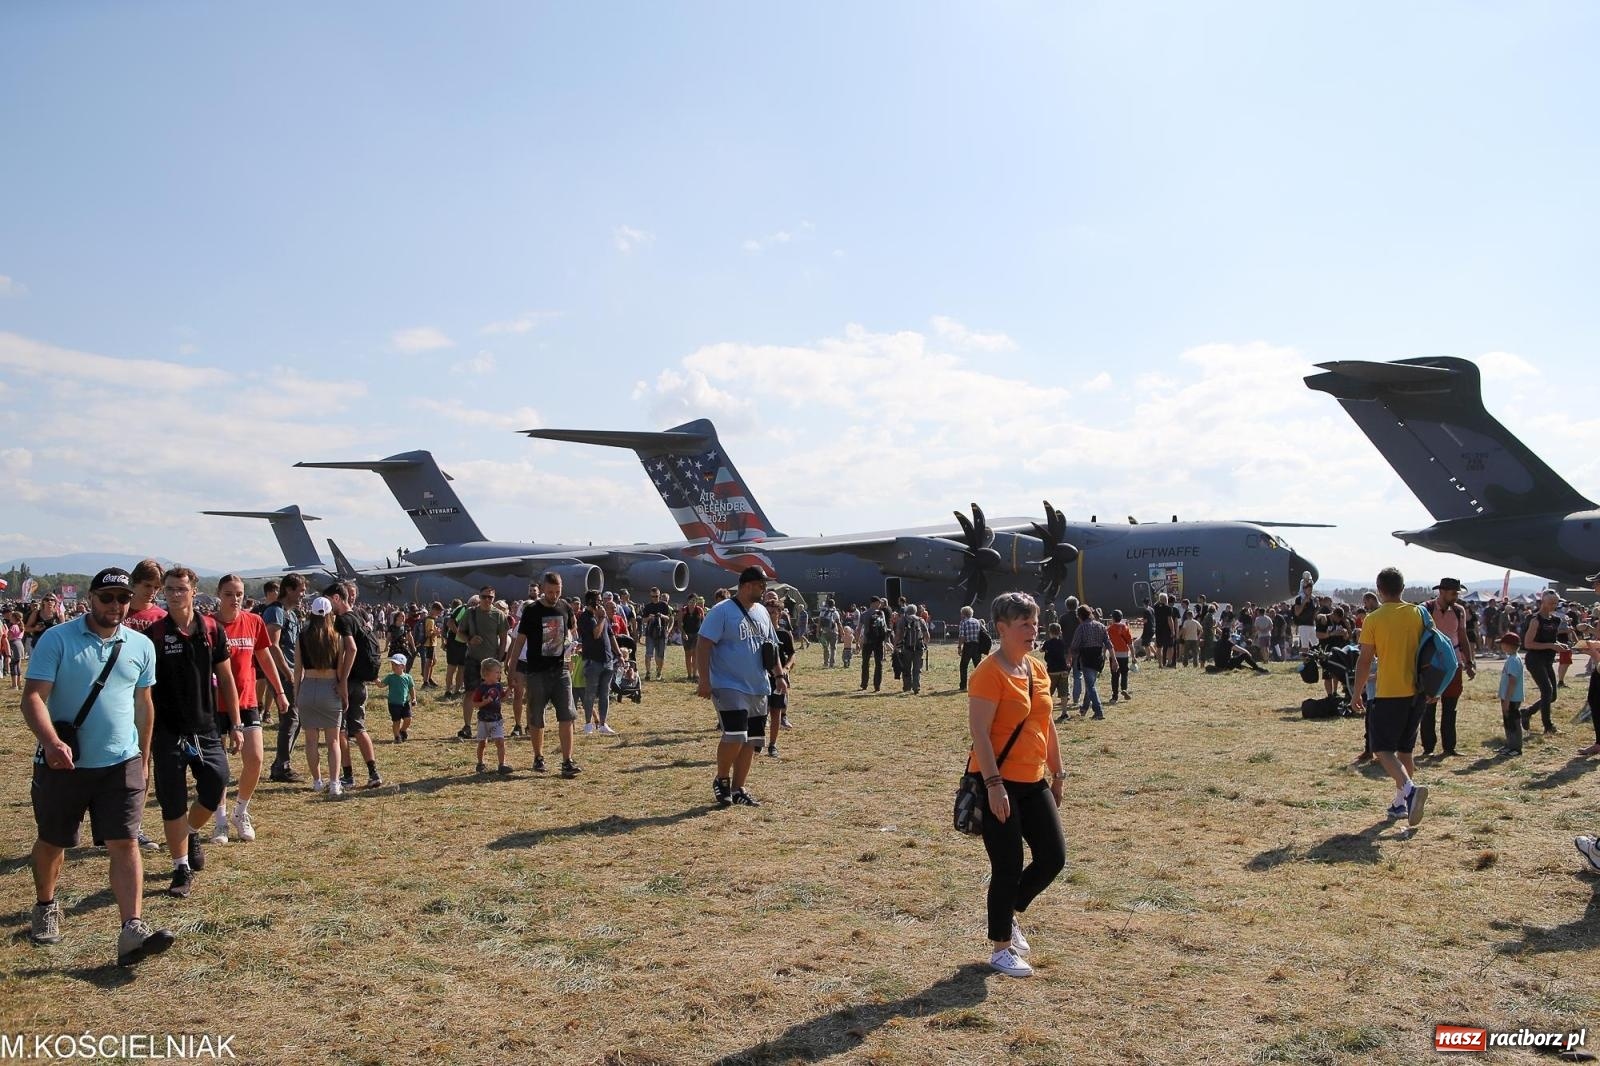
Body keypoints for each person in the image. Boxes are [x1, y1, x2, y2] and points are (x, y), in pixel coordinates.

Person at [23, 567, 176, 966]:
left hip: (121, 762)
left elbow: (144, 705)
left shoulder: (141, 645)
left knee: (124, 842)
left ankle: (132, 929)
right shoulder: (58, 639)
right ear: (91, 598)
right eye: (107, 597)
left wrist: (143, 759)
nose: (115, 605)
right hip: (65, 763)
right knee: (54, 841)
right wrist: (52, 742)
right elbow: (33, 698)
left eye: (123, 598)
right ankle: (45, 904)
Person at [966, 591, 1065, 979]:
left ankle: (1008, 914)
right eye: (1023, 624)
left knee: (1053, 858)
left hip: (1033, 779)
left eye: (1034, 622)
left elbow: (1046, 722)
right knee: (1007, 865)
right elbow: (980, 733)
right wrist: (992, 784)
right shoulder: (988, 673)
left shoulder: (1037, 669)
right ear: (1002, 629)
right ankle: (1000, 948)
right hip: (998, 779)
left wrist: (1058, 773)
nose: (1032, 629)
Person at [144, 566, 239, 898]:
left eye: (181, 589)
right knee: (171, 801)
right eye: (169, 589)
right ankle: (180, 867)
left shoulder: (211, 628)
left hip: (205, 727)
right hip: (167, 730)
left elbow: (226, 679)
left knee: (216, 784)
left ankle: (189, 831)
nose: (174, 594)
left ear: (194, 590)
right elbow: (144, 689)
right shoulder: (155, 633)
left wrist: (236, 723)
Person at [697, 566, 786, 807]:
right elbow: (704, 644)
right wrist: (704, 679)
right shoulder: (721, 611)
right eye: (760, 585)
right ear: (746, 585)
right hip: (728, 684)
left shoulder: (762, 613)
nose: (764, 589)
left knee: (753, 740)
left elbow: (771, 647)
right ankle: (722, 779)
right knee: (736, 735)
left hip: (758, 685)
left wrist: (779, 675)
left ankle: (738, 788)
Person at [1351, 567, 1429, 827]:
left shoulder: (1373, 619)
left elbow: (1364, 661)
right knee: (1405, 750)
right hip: (1417, 692)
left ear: (1379, 589)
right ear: (1403, 588)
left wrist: (1356, 693)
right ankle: (1400, 804)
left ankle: (1409, 790)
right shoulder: (1419, 613)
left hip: (1389, 692)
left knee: (1382, 749)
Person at [213, 574, 287, 845]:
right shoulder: (209, 625)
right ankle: (220, 820)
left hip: (247, 702)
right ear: (219, 595)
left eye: (239, 594)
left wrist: (279, 691)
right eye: (229, 594)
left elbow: (264, 656)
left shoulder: (254, 621)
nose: (235, 599)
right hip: (216, 705)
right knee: (218, 768)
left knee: (254, 759)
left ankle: (240, 811)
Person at [507, 572, 579, 776]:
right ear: (542, 589)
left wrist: (571, 652)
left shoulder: (565, 607)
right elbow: (519, 640)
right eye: (550, 592)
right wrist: (512, 667)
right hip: (537, 672)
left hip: (560, 670)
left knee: (567, 716)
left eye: (557, 591)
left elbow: (571, 632)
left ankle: (567, 760)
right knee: (536, 716)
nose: (554, 595)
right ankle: (538, 757)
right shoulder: (531, 610)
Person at [326, 582, 383, 790]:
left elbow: (350, 648)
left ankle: (348, 776)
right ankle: (373, 772)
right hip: (360, 682)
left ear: (336, 599)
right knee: (359, 728)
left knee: (341, 731)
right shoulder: (359, 616)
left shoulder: (342, 621)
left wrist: (342, 680)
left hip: (348, 682)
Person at [295, 596, 354, 795]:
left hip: (308, 687)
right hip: (329, 687)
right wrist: (343, 690)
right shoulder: (336, 637)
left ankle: (317, 780)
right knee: (333, 741)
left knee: (311, 740)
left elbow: (297, 670)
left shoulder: (302, 636)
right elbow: (339, 671)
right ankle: (335, 782)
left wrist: (296, 694)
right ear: (330, 614)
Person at [1420, 578, 1476, 758]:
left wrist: (1469, 662)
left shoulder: (1459, 611)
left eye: (1458, 593)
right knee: (1429, 706)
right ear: (1442, 591)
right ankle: (1428, 748)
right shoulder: (1425, 609)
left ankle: (1449, 747)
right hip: (1431, 665)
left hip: (1454, 663)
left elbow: (1462, 637)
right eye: (1453, 593)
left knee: (1450, 706)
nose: (1456, 596)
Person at [264, 574, 306, 783]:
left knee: (295, 719)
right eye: (300, 590)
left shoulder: (290, 614)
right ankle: (281, 766)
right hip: (282, 673)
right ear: (289, 590)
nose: (303, 594)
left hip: (293, 672)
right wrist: (287, 673)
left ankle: (281, 763)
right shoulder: (276, 612)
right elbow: (272, 645)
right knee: (290, 718)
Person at [458, 588, 508, 741]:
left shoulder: (499, 615)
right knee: (470, 692)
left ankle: (492, 725)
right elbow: (460, 633)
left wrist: (499, 659)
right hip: (473, 659)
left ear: (494, 598)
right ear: (479, 597)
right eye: (484, 596)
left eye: (490, 597)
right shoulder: (470, 613)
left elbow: (504, 638)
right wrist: (469, 639)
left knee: (493, 694)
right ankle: (467, 726)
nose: (487, 599)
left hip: (491, 661)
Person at [577, 589, 624, 737]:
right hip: (593, 661)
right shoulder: (586, 617)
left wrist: (619, 653)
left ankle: (603, 724)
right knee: (590, 694)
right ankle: (588, 724)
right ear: (590, 601)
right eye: (597, 600)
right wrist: (602, 618)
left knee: (604, 694)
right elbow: (596, 634)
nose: (600, 602)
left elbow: (610, 636)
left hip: (607, 660)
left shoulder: (602, 617)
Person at [1521, 589, 1566, 735]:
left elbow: (1551, 639)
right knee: (1547, 691)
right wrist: (1551, 646)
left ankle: (1527, 712)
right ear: (1543, 602)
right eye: (1551, 603)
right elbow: (1528, 644)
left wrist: (1559, 645)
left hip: (1547, 660)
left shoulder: (1555, 620)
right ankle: (1548, 726)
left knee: (1552, 695)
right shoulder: (1535, 620)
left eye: (1556, 603)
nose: (1554, 605)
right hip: (1535, 660)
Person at [1065, 604, 1112, 719]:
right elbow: (1109, 644)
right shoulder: (1101, 626)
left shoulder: (1081, 628)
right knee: (1090, 684)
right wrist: (1113, 659)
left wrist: (1070, 656)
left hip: (1086, 657)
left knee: (1090, 686)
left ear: (1080, 616)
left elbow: (1075, 645)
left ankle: (1098, 711)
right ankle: (1084, 708)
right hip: (1098, 657)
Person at [472, 658, 512, 774]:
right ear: (486, 674)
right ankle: (480, 763)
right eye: (496, 672)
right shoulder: (481, 688)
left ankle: (502, 764)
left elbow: (502, 698)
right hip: (483, 720)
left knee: (500, 741)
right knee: (482, 743)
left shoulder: (498, 686)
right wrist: (484, 702)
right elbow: (475, 704)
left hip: (496, 719)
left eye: (499, 672)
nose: (499, 675)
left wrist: (509, 690)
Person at [1497, 633, 1525, 756]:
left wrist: (1507, 700)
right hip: (1508, 697)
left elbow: (1512, 682)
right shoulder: (1512, 658)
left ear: (1508, 645)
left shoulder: (1514, 660)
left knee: (1513, 722)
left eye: (1502, 644)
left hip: (1512, 698)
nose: (1501, 646)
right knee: (1508, 721)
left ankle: (1516, 748)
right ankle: (1509, 745)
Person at [639, 587, 673, 681]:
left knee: (660, 655)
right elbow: (643, 620)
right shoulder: (647, 606)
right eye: (653, 596)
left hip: (661, 634)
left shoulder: (664, 605)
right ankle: (648, 672)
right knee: (648, 654)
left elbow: (669, 618)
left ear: (659, 595)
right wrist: (649, 618)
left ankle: (659, 672)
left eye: (657, 596)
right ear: (650, 596)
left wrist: (661, 616)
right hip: (650, 633)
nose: (655, 598)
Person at [858, 596, 889, 692]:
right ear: (874, 603)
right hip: (878, 641)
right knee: (878, 663)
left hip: (868, 641)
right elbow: (884, 627)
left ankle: (864, 684)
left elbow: (859, 628)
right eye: (879, 603)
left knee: (865, 663)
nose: (880, 604)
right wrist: (885, 639)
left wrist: (857, 642)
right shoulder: (881, 613)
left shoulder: (864, 614)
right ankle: (877, 685)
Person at [897, 602, 929, 695]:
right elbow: (927, 635)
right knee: (917, 669)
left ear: (907, 611)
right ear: (915, 611)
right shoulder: (921, 620)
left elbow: (898, 635)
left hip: (906, 647)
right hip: (918, 647)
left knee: (906, 668)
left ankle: (907, 687)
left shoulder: (902, 620)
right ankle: (916, 687)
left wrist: (896, 645)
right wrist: (925, 645)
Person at [384, 654, 415, 742]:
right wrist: (375, 678)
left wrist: (414, 698)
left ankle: (403, 730)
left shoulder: (408, 677)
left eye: (396, 665)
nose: (393, 667)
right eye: (392, 664)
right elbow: (381, 685)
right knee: (396, 721)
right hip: (393, 703)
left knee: (408, 719)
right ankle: (397, 737)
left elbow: (411, 688)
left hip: (405, 703)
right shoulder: (390, 677)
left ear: (403, 666)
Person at [1106, 609, 1133, 703]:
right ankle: (1124, 688)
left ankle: (1114, 696)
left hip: (1114, 654)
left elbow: (1106, 642)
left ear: (1113, 618)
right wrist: (1133, 656)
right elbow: (1130, 643)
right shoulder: (1125, 627)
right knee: (1124, 673)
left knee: (1114, 675)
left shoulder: (1109, 628)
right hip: (1124, 654)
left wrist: (1103, 653)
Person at [680, 594, 705, 682]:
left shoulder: (699, 610)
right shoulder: (684, 610)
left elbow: (703, 623)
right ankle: (689, 675)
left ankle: (695, 674)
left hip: (696, 634)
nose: (692, 603)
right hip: (686, 634)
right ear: (688, 602)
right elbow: (680, 623)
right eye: (691, 601)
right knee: (688, 655)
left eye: (694, 601)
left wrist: (701, 634)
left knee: (695, 655)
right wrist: (683, 633)